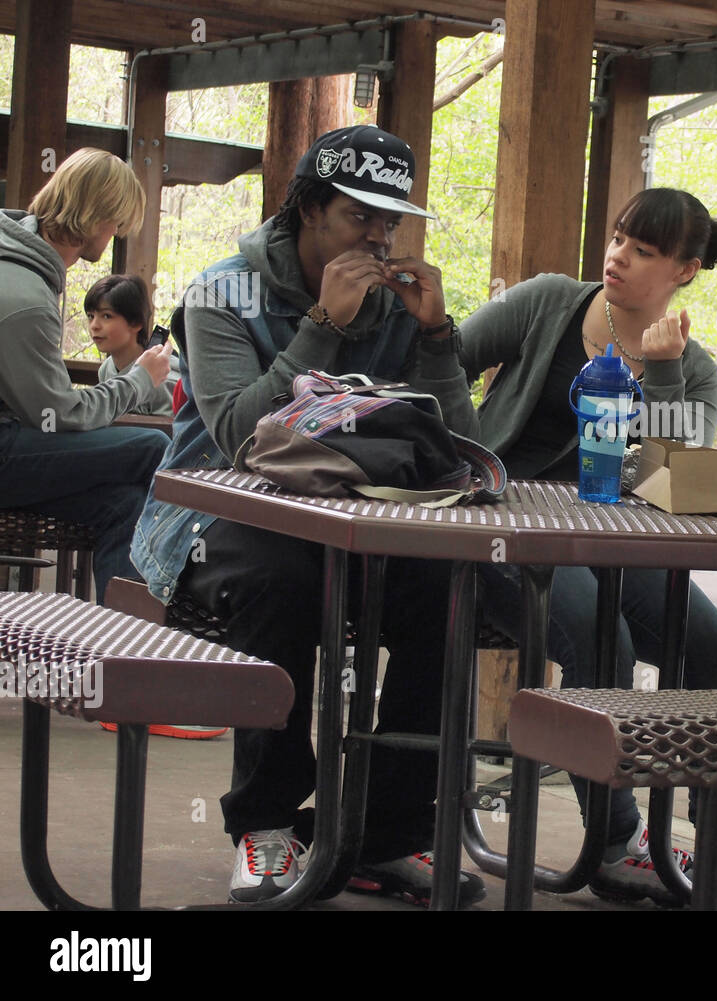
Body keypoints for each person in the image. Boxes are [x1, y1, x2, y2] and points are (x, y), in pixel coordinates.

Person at [130, 125, 484, 906]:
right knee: (283, 577)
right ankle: (266, 825)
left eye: (391, 221)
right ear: (308, 208)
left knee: (452, 590)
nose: (381, 237)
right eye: (362, 217)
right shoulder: (224, 292)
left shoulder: (396, 308)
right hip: (208, 523)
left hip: (349, 524)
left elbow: (460, 447)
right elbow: (235, 440)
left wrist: (435, 335)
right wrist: (321, 326)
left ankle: (382, 834)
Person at [457, 188, 717, 905]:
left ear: (685, 271)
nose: (620, 256)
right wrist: (457, 461)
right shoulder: (548, 303)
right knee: (610, 643)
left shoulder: (697, 366)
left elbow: (681, 477)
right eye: (621, 237)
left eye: (647, 250)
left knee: (710, 642)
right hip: (507, 530)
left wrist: (661, 372)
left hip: (612, 540)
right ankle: (614, 841)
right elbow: (447, 353)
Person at [0, 148, 172, 604]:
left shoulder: (18, 259)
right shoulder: (24, 296)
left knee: (123, 504)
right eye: (116, 221)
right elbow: (56, 414)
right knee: (153, 447)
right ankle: (194, 594)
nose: (116, 232)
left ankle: (126, 638)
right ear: (98, 216)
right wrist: (139, 378)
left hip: (11, 443)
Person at [84, 273, 178, 416]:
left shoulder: (164, 376)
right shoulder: (106, 369)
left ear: (136, 323)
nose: (94, 326)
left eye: (106, 316)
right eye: (91, 316)